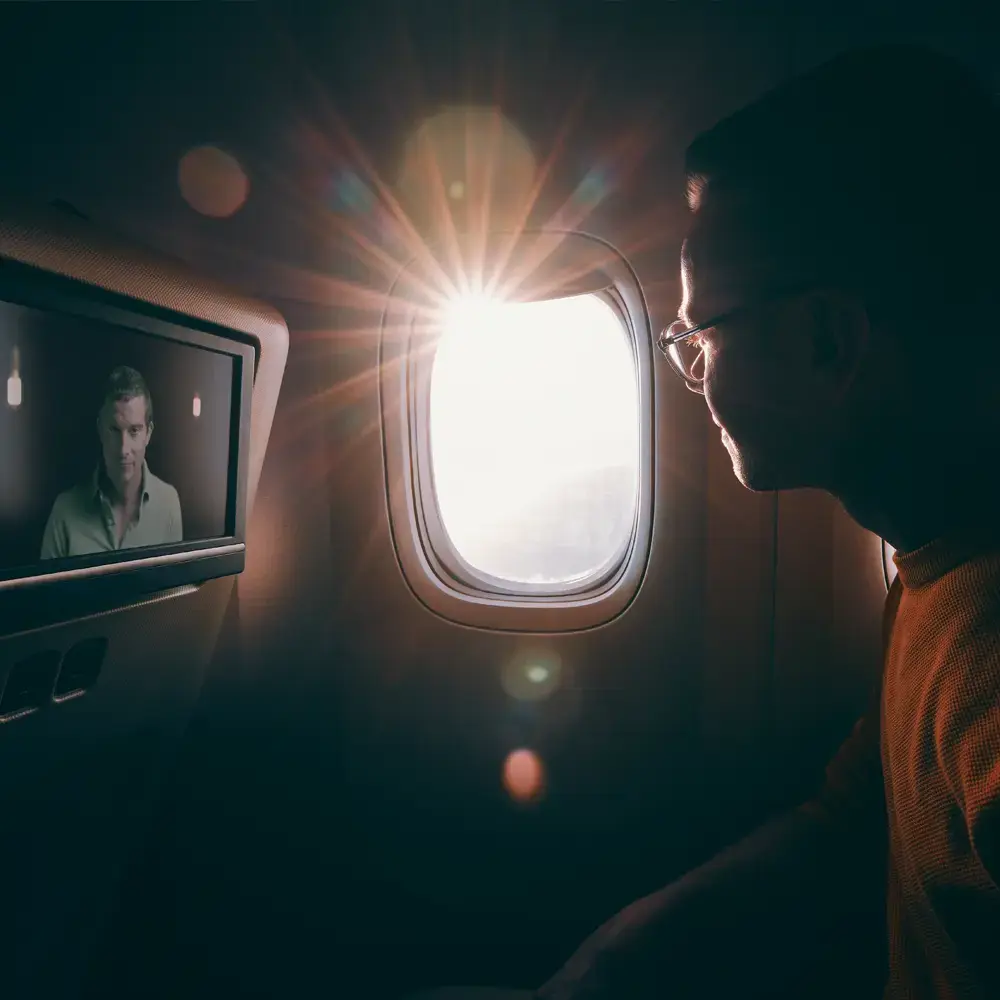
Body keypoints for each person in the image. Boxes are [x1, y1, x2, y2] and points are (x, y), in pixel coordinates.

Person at [529, 42, 1000, 1000]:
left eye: (701, 333)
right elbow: (849, 822)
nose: (693, 371)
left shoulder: (986, 650)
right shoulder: (928, 560)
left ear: (828, 340)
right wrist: (605, 969)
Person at [40, 365, 182, 559]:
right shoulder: (64, 512)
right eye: (114, 430)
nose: (123, 449)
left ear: (148, 433)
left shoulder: (169, 504)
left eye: (134, 431)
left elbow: (173, 580)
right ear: (100, 430)